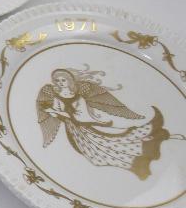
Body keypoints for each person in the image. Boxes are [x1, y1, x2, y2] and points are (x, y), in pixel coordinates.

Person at [37, 68, 174, 180]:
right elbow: (58, 112)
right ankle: (136, 163)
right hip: (72, 128)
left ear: (70, 80)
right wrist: (53, 112)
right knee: (93, 150)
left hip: (83, 125)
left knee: (108, 142)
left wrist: (57, 112)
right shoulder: (57, 97)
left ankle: (149, 143)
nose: (61, 83)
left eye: (63, 80)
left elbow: (79, 115)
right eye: (58, 80)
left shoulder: (78, 96)